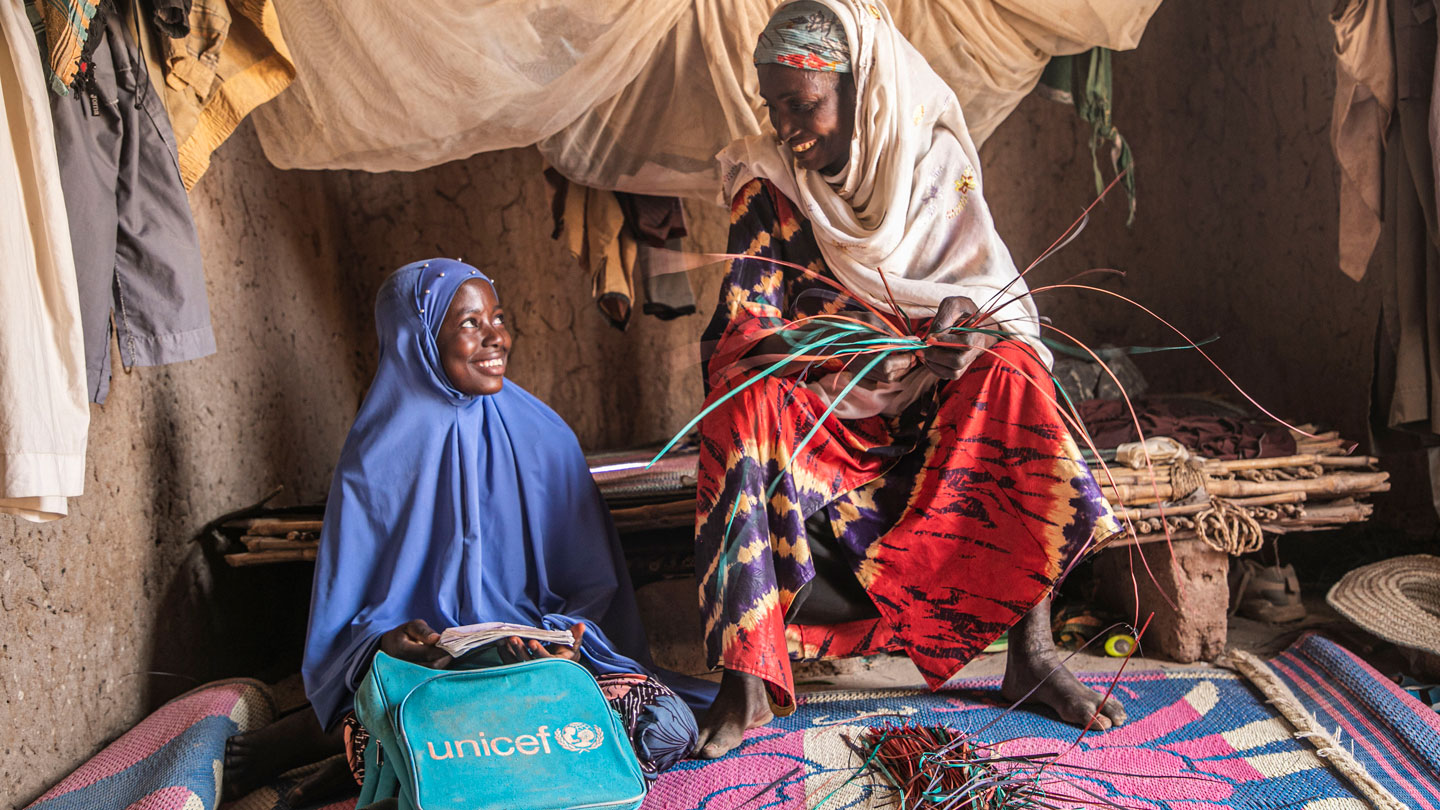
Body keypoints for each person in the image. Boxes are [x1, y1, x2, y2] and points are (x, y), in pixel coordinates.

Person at [691, 0, 1127, 758]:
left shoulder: (936, 168)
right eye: (775, 107)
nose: (788, 128)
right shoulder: (767, 183)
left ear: (865, 92)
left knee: (1014, 369)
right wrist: (839, 353)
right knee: (742, 405)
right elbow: (744, 332)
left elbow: (993, 297)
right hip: (823, 419)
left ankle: (1033, 652)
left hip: (931, 414)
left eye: (805, 106)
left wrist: (965, 327)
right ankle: (747, 677)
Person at [224, 259, 704, 802]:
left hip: (539, 662)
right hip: (430, 672)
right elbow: (348, 606)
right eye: (470, 324)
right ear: (418, 338)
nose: (496, 337)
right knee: (417, 693)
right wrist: (389, 639)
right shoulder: (376, 457)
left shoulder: (543, 435)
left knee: (667, 724)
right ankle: (357, 742)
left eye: (497, 318)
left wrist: (559, 638)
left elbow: (593, 583)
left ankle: (366, 755)